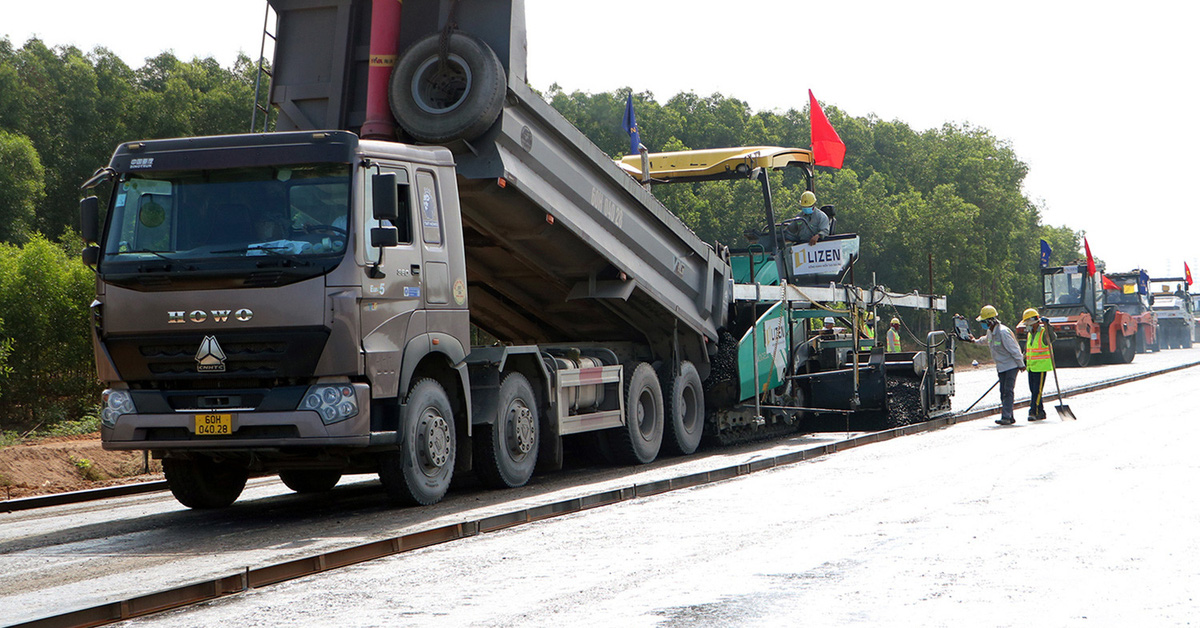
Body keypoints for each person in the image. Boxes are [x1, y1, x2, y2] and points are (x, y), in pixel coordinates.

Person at [966, 305, 1025, 425]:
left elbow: (1014, 350)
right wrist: (974, 340)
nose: (982, 324)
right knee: (1002, 391)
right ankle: (1009, 415)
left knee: (1008, 391)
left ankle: (1006, 416)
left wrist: (1021, 364)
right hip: (1001, 366)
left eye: (983, 322)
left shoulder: (1003, 332)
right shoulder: (990, 331)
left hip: (1011, 365)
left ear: (990, 321)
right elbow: (985, 340)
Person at [1022, 308, 1056, 421]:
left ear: (1035, 323)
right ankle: (1041, 411)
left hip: (1041, 367)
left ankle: (1033, 411)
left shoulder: (1043, 332)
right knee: (1033, 390)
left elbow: (1052, 338)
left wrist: (1048, 326)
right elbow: (1028, 349)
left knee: (1037, 390)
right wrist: (1023, 360)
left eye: (1029, 324)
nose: (1027, 326)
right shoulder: (1030, 334)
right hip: (1031, 367)